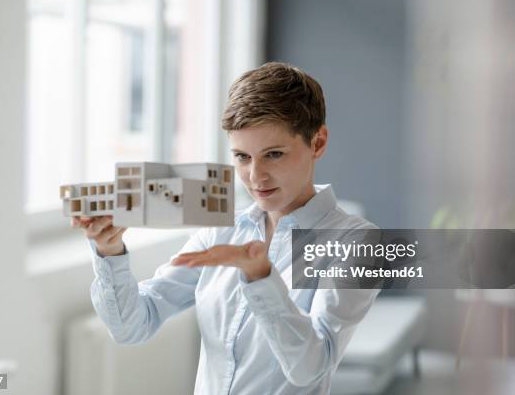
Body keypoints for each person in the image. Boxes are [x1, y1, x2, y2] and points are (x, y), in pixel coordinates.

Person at [72, 62, 381, 394]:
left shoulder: (357, 241)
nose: (255, 177)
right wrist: (110, 252)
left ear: (317, 143)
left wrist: (260, 277)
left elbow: (310, 367)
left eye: (274, 154)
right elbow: (132, 326)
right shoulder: (222, 230)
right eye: (242, 157)